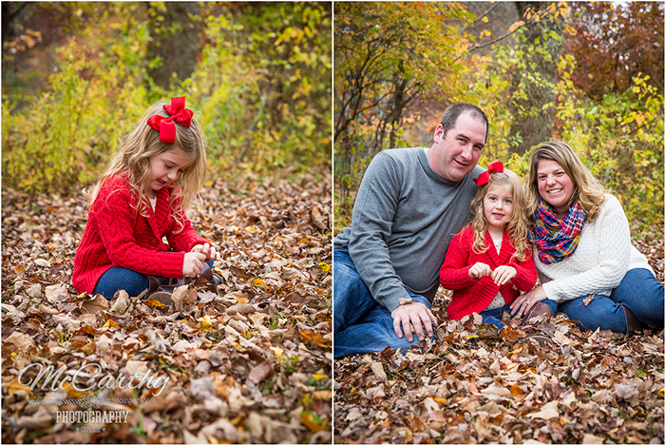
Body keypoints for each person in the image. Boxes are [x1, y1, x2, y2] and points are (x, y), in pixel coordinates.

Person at [334, 103, 489, 358]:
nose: (467, 154)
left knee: (416, 339)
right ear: (439, 133)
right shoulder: (393, 165)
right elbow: (366, 240)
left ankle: (332, 342)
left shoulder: (480, 185)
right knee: (340, 294)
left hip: (413, 293)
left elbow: (515, 202)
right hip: (355, 268)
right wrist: (398, 300)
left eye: (477, 147)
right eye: (461, 140)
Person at [73, 97, 219, 305]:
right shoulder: (115, 192)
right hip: (106, 270)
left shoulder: (167, 189)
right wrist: (177, 263)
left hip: (147, 261)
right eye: (168, 165)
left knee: (205, 260)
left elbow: (180, 230)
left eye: (180, 170)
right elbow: (122, 254)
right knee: (129, 280)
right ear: (146, 152)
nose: (173, 176)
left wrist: (196, 246)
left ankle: (168, 283)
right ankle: (172, 282)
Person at [510, 141, 664, 334]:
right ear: (535, 183)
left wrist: (548, 291)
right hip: (573, 291)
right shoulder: (529, 219)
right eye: (542, 177)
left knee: (651, 304)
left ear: (574, 175)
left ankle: (642, 314)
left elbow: (612, 271)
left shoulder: (605, 206)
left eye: (558, 173)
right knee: (598, 318)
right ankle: (640, 323)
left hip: (623, 273)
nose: (550, 182)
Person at [439, 161, 556, 328]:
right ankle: (512, 332)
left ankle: (524, 330)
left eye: (507, 201)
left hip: (509, 307)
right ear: (482, 201)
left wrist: (515, 271)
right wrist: (469, 273)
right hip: (474, 311)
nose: (499, 206)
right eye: (493, 199)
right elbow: (446, 278)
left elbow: (530, 281)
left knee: (548, 304)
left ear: (516, 206)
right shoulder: (466, 237)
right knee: (492, 326)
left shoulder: (519, 238)